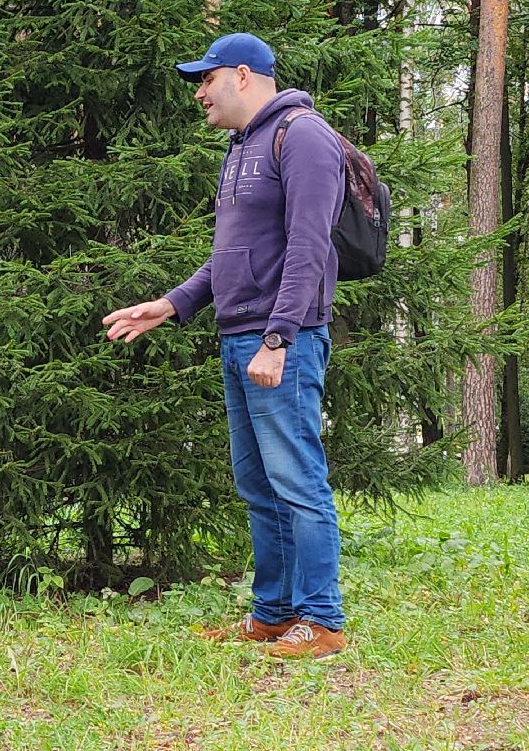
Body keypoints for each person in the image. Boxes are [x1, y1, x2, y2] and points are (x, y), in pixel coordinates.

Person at [103, 33, 348, 659]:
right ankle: (273, 613)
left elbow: (308, 249)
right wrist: (171, 304)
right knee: (257, 484)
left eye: (205, 79)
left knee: (297, 480)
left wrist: (278, 339)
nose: (199, 92)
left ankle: (321, 621)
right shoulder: (241, 147)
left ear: (242, 76)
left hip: (279, 343)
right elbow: (228, 258)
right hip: (238, 339)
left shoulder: (305, 136)